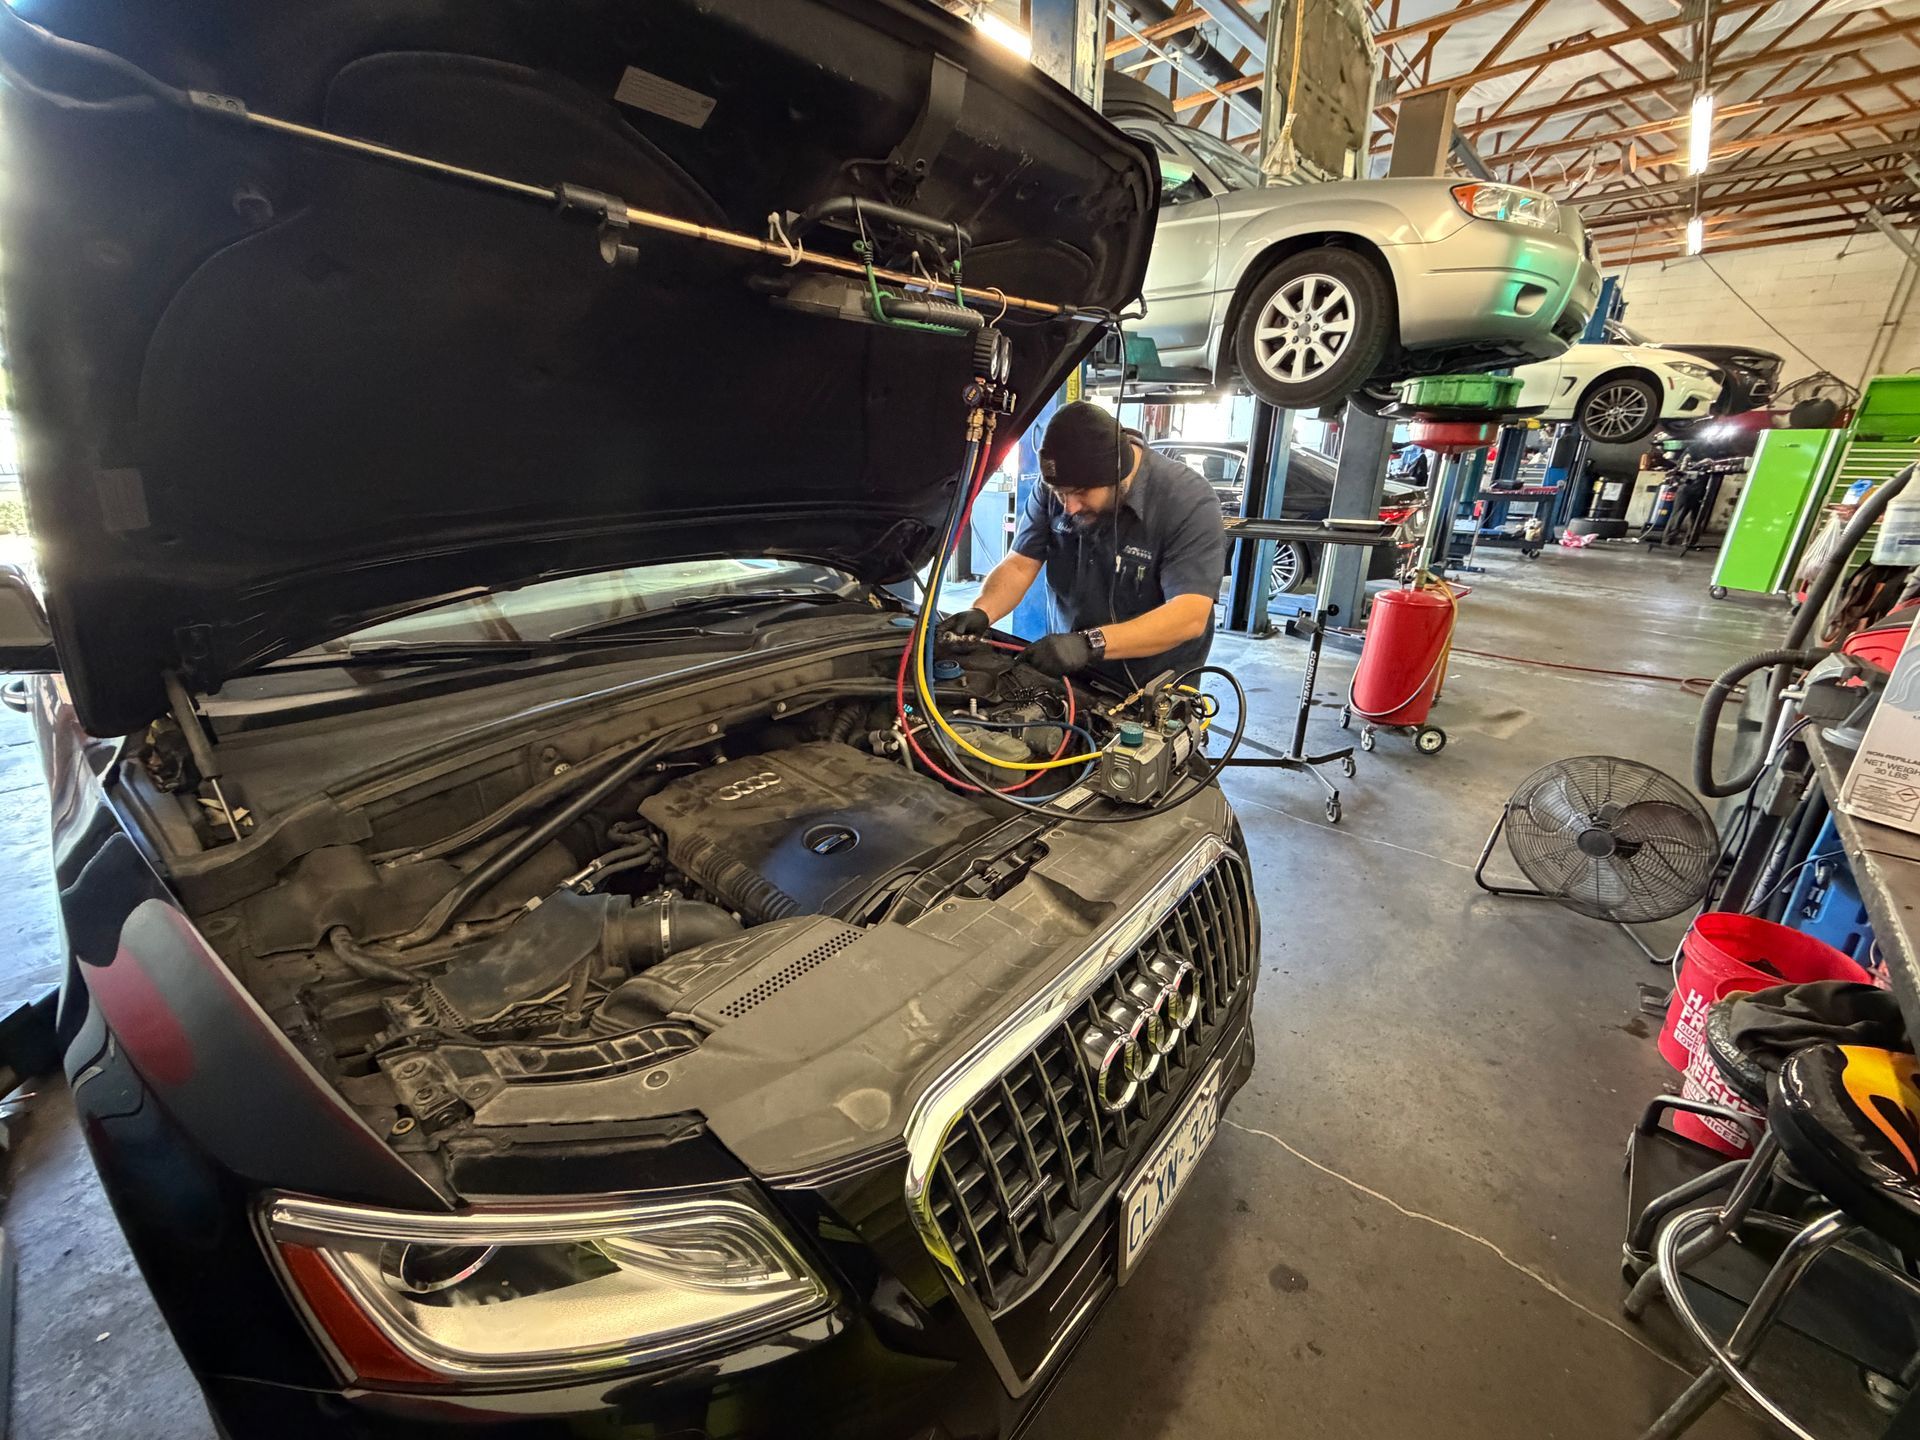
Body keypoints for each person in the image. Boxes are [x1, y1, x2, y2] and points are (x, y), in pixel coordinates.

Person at [944, 402, 1226, 684]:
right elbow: (1020, 564)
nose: (1069, 507)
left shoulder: (1187, 500)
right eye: (1059, 493)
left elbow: (1189, 615)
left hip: (1152, 695)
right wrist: (983, 611)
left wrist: (1090, 643)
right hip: (1072, 675)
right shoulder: (1059, 488)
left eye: (1080, 493)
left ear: (1117, 473)